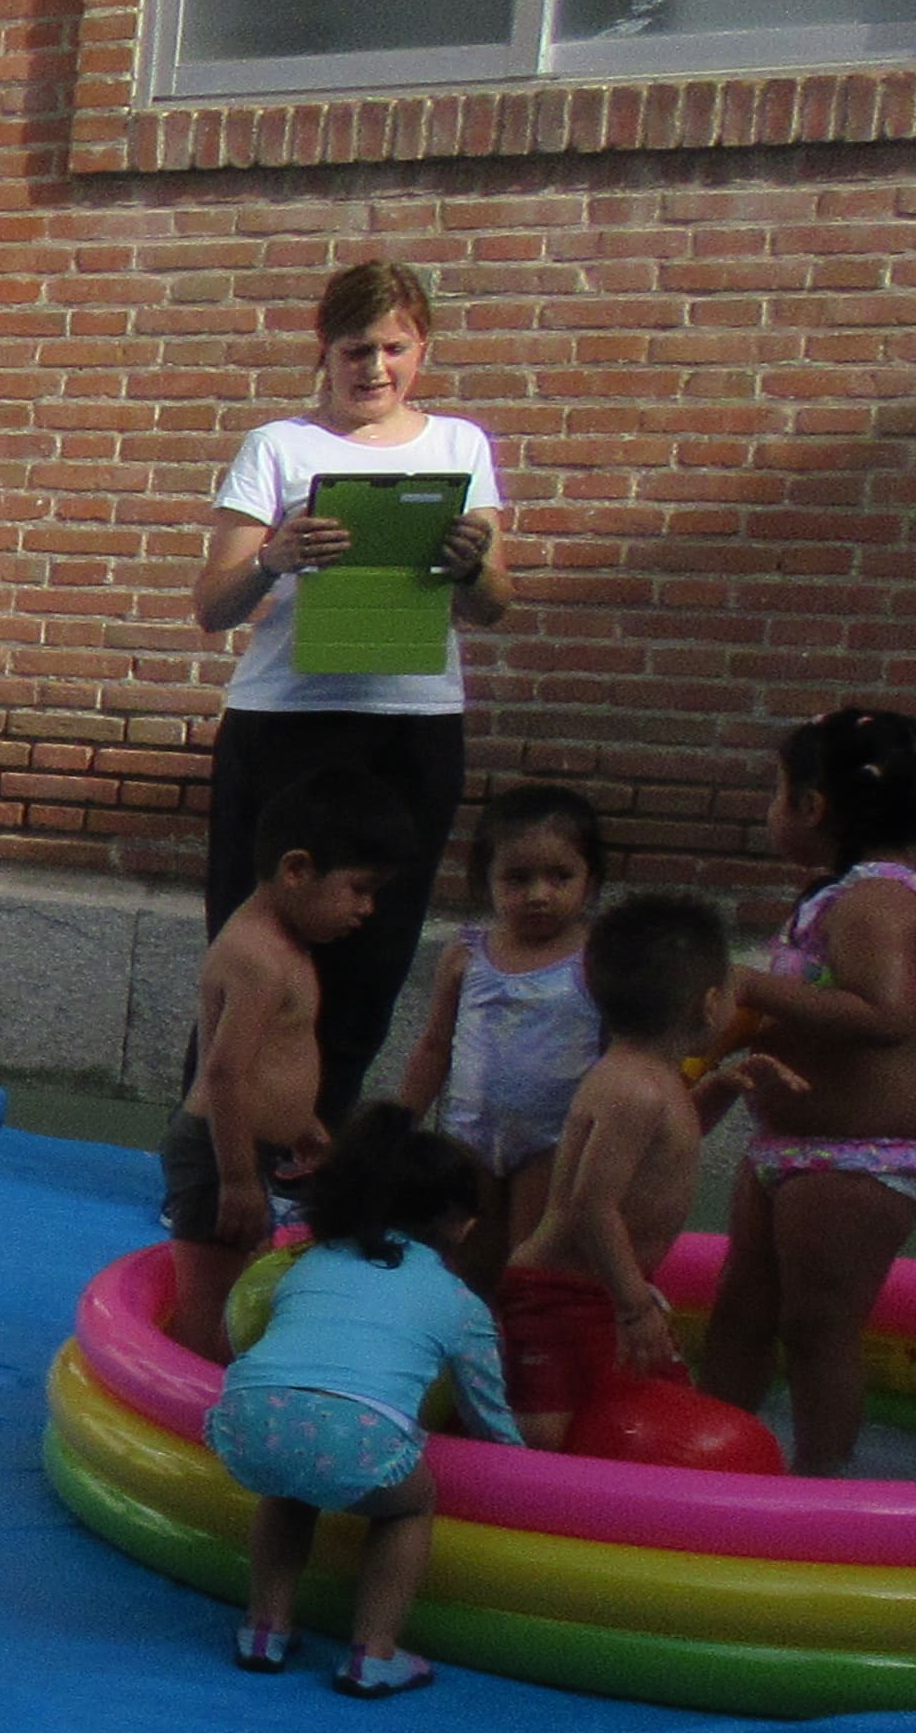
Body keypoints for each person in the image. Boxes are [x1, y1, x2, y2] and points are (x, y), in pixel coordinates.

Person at [189, 259, 516, 1107]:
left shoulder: (459, 446)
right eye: (355, 350)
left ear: (423, 348)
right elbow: (213, 606)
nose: (374, 369)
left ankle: (320, 1136)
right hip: (287, 720)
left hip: (411, 722)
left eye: (393, 348)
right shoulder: (277, 446)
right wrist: (275, 556)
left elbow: (493, 607)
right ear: (324, 352)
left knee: (379, 938)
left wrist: (473, 563)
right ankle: (215, 1139)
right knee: (253, 932)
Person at [209, 1104, 518, 1695]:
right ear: (458, 1220)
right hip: (357, 1437)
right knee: (409, 1504)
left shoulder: (308, 1262)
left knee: (289, 1486)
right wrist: (520, 1465)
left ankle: (264, 1627)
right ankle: (374, 1651)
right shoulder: (459, 1301)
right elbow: (486, 1409)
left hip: (250, 1417)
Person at [698, 708, 916, 1473]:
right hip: (785, 1149)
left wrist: (756, 984)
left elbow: (886, 1015)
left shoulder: (879, 898)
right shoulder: (836, 895)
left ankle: (819, 1494)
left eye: (776, 789)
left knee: (818, 1328)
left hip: (854, 1158)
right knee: (741, 1313)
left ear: (813, 806)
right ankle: (707, 1460)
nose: (771, 806)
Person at [164, 786, 412, 1356]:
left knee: (240, 1289)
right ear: (297, 869)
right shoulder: (257, 956)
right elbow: (225, 1073)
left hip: (248, 1147)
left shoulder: (286, 947)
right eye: (360, 889)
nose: (367, 909)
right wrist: (236, 1178)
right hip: (218, 1150)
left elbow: (276, 1056)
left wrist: (301, 1125)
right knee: (210, 1313)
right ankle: (184, 1399)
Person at [494, 889, 733, 1448]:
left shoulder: (654, 1079)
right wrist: (633, 1305)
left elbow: (666, 1153)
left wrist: (720, 1091)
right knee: (543, 1434)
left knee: (661, 1399)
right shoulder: (634, 1087)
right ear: (711, 1003)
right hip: (558, 1291)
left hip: (608, 1288)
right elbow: (592, 1204)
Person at [390, 782, 606, 1280]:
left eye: (560, 877)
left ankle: (521, 1354)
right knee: (464, 1259)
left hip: (555, 1140)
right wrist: (400, 1125)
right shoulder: (466, 955)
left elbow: (615, 1056)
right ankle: (469, 1352)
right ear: (484, 880)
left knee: (530, 1264)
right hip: (470, 1133)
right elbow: (433, 1046)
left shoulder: (596, 961)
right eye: (517, 878)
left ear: (590, 882)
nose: (538, 895)